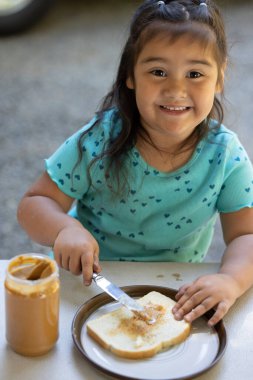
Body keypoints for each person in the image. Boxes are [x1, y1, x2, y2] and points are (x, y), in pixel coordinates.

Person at [17, 0, 253, 327]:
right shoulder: (98, 140)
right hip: (87, 279)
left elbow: (246, 235)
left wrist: (231, 280)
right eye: (158, 72)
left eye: (195, 73)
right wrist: (64, 229)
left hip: (174, 290)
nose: (176, 89)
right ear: (130, 75)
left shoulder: (225, 153)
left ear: (219, 78)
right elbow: (33, 204)